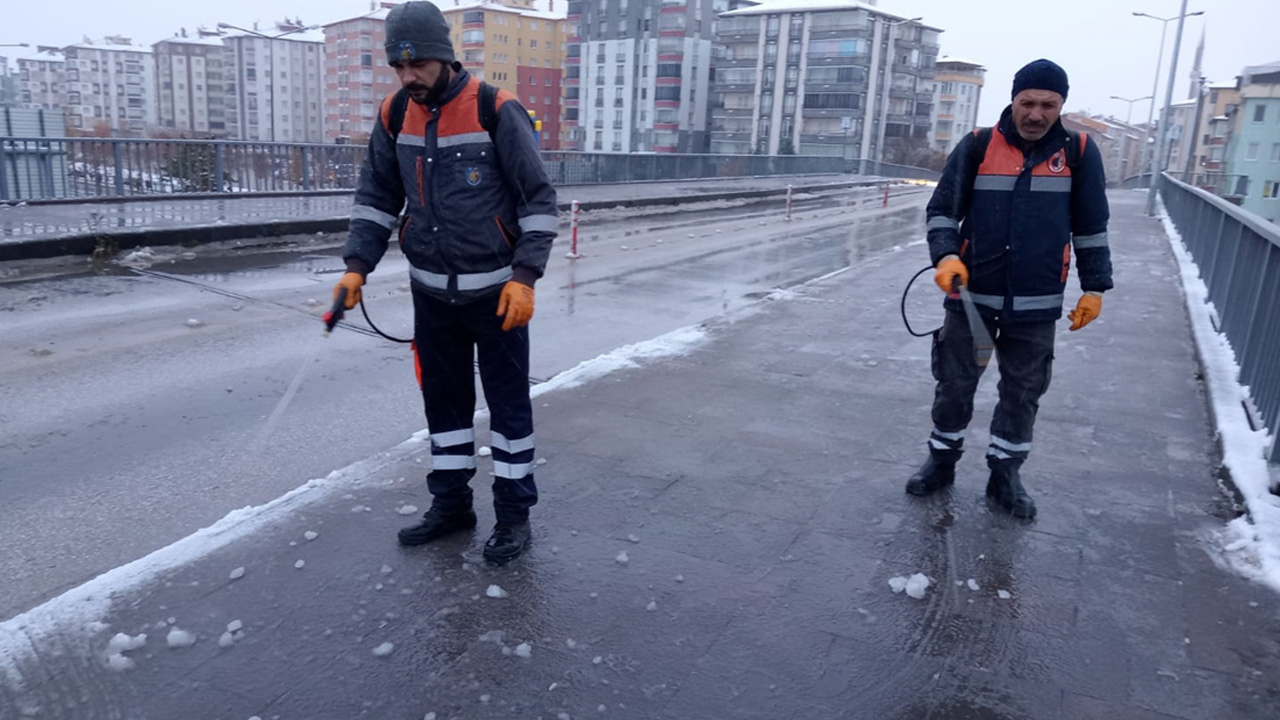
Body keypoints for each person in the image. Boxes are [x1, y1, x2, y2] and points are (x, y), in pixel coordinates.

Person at [333, 1, 558, 562]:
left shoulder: (494, 108)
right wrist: (356, 266)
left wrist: (525, 276)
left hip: (498, 295)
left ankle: (513, 516)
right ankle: (452, 506)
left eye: (419, 65)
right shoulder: (392, 115)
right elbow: (377, 197)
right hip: (431, 294)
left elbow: (539, 201)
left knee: (507, 411)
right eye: (398, 67)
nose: (408, 77)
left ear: (445, 56)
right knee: (445, 406)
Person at [907, 59, 1112, 519]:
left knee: (1023, 392)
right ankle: (941, 461)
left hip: (1037, 306)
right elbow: (941, 210)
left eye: (1048, 104)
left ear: (1061, 105)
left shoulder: (1079, 152)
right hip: (972, 300)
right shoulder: (979, 145)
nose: (1036, 114)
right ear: (1013, 100)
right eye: (1028, 102)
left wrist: (1094, 288)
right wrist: (945, 256)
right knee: (955, 385)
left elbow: (1092, 226)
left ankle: (1005, 474)